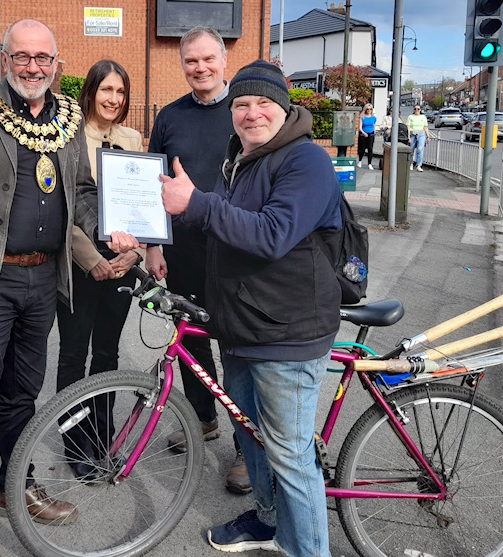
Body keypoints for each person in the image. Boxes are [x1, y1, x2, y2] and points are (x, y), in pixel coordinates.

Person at [0, 19, 139, 557]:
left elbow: (81, 192)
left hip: (44, 280)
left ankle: (14, 489)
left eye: (43, 58)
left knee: (22, 396)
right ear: (6, 58)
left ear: (57, 63)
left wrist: (108, 226)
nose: (34, 66)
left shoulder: (64, 116)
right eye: (23, 57)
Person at [160, 60, 342, 557]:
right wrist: (148, 233)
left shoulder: (305, 161)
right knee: (252, 435)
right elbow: (216, 223)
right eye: (241, 104)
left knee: (290, 455)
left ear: (283, 108)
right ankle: (267, 521)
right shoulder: (240, 158)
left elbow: (271, 234)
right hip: (241, 325)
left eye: (263, 102)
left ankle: (308, 550)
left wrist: (195, 202)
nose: (251, 112)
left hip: (287, 332)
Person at [146, 26, 250, 495]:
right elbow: (154, 183)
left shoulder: (246, 114)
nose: (200, 68)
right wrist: (152, 245)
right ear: (182, 63)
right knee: (189, 345)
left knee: (241, 352)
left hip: (236, 253)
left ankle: (249, 448)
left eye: (208, 58)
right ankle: (203, 419)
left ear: (225, 58)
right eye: (191, 61)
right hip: (183, 253)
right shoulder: (169, 117)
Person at [56, 59, 144, 479]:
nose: (114, 99)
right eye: (106, 90)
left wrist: (135, 253)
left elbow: (144, 207)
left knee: (107, 353)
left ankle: (103, 435)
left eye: (121, 92)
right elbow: (63, 206)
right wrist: (91, 260)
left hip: (122, 268)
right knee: (74, 356)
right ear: (90, 92)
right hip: (79, 268)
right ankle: (74, 443)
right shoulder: (68, 138)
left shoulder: (132, 138)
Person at [407, 104, 429, 172]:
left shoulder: (423, 117)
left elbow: (425, 127)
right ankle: (411, 163)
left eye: (418, 109)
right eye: (415, 109)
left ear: (420, 110)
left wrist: (428, 136)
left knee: (420, 150)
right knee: (411, 149)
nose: (416, 110)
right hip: (413, 133)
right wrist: (408, 137)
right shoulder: (410, 117)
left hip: (421, 134)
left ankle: (419, 165)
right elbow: (408, 127)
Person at [357, 103, 376, 169]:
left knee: (370, 149)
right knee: (362, 149)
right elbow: (360, 127)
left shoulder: (374, 118)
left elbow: (373, 125)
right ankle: (360, 160)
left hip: (371, 134)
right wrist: (363, 133)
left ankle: (369, 163)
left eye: (370, 109)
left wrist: (374, 131)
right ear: (365, 109)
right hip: (363, 134)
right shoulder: (362, 117)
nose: (369, 110)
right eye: (367, 109)